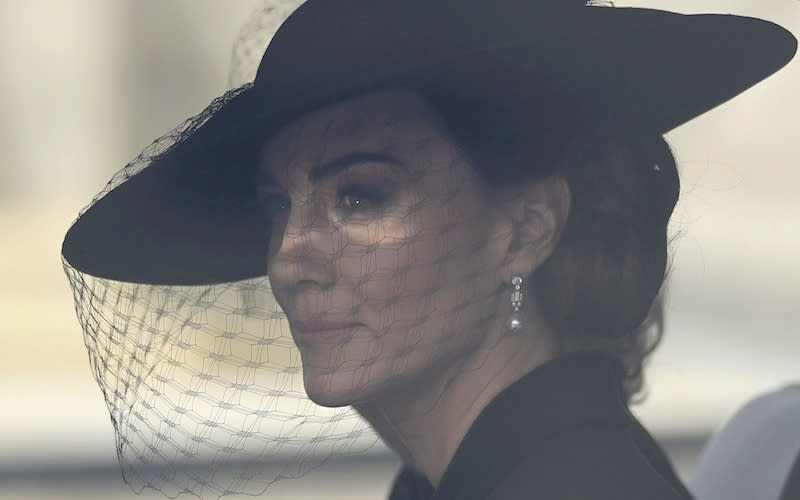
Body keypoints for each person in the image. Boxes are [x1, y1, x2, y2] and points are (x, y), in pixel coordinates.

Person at [60, 1, 797, 499]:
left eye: (359, 198)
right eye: (276, 206)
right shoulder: (463, 475)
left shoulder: (573, 483)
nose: (289, 260)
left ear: (525, 229)